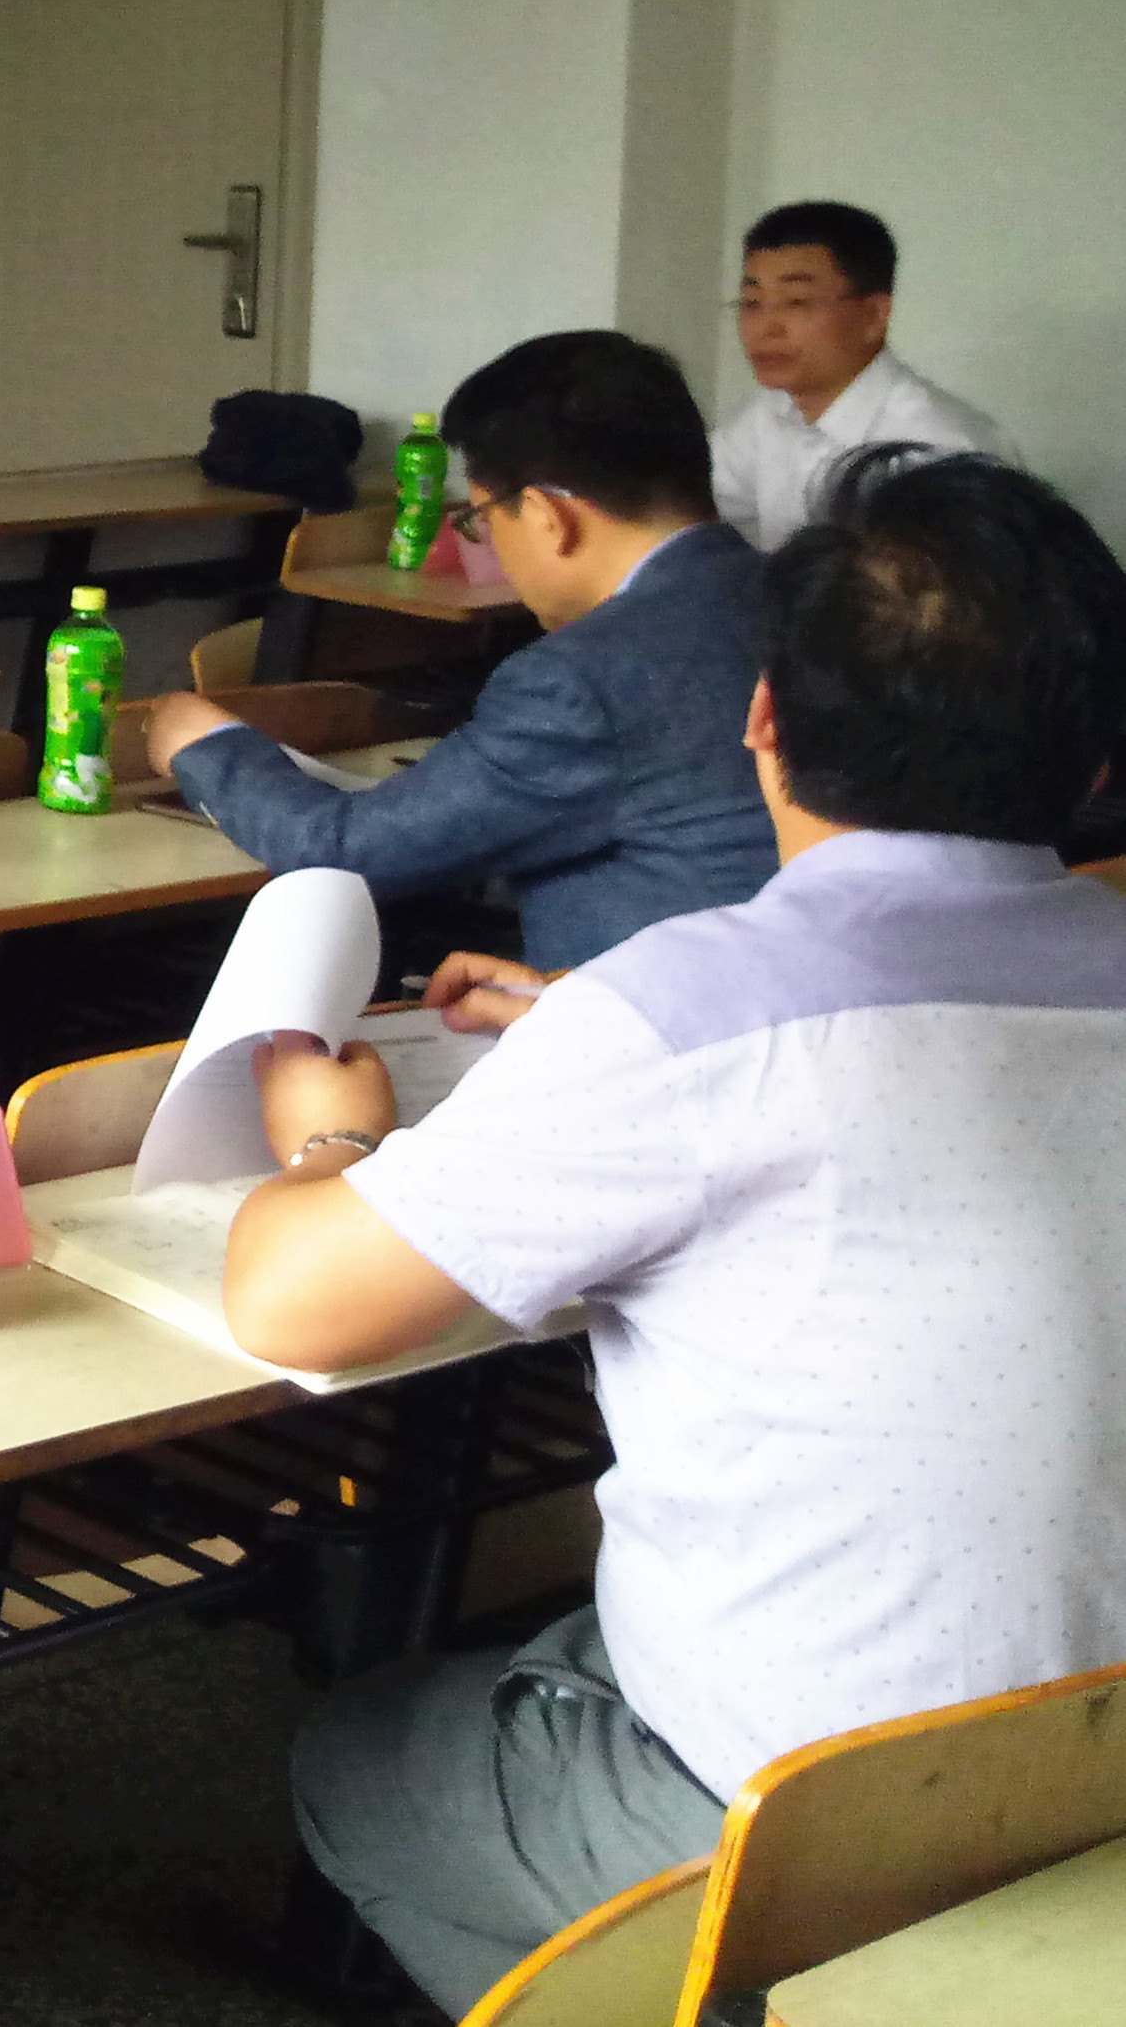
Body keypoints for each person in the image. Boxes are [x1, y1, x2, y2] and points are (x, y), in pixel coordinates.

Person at [219, 447, 1126, 2016]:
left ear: (760, 716)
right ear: (1096, 757)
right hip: (1091, 1765)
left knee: (359, 1752)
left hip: (817, 1827)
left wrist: (327, 1135)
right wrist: (611, 1023)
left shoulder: (680, 1014)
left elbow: (290, 1303)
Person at [141, 332, 775, 972]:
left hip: (656, 1013)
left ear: (547, 516)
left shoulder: (583, 677)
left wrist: (203, 745)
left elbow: (341, 853)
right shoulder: (797, 595)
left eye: (481, 519)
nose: (490, 543)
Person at [711, 200, 1013, 550]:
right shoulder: (770, 412)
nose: (765, 328)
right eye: (751, 302)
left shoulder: (939, 447)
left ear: (873, 315)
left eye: (797, 302)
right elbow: (692, 508)